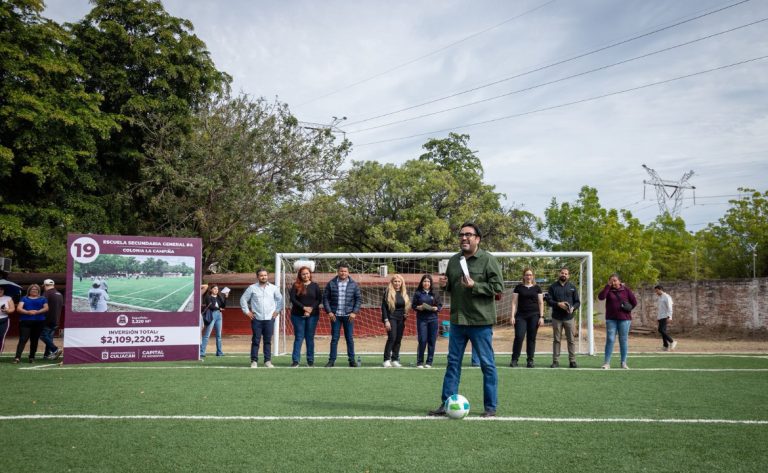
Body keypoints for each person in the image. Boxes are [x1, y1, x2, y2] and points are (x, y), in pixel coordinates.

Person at [429, 223, 503, 418]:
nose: (464, 238)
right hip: (458, 321)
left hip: (480, 321)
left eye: (468, 235)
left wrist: (475, 285)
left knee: (487, 364)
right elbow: (452, 288)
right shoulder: (454, 261)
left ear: (477, 238)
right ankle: (446, 404)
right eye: (461, 234)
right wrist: (444, 286)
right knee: (453, 363)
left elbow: (498, 289)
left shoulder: (488, 260)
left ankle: (490, 408)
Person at [240, 269, 283, 368]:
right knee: (256, 340)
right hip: (256, 319)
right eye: (261, 275)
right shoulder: (252, 288)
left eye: (265, 275)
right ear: (257, 277)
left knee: (267, 341)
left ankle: (267, 361)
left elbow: (280, 300)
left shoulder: (273, 288)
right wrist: (247, 312)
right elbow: (243, 299)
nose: (264, 277)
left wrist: (277, 311)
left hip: (269, 318)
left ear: (267, 276)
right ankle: (254, 361)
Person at [322, 263, 362, 368]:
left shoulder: (354, 284)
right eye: (341, 271)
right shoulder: (331, 283)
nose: (343, 273)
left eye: (345, 271)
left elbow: (358, 299)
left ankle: (352, 360)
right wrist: (329, 312)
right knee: (334, 338)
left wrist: (354, 312)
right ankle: (331, 360)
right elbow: (325, 298)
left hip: (349, 316)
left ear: (348, 272)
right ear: (338, 272)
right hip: (335, 316)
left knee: (349, 338)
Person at [598, 274, 637, 369]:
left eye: (615, 280)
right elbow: (601, 297)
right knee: (610, 339)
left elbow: (634, 302)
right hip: (611, 319)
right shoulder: (608, 290)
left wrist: (628, 309)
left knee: (623, 340)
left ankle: (623, 362)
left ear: (619, 281)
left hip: (624, 319)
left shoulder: (626, 290)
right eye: (611, 281)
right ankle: (607, 363)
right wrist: (607, 286)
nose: (613, 282)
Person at [546, 267, 581, 368]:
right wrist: (558, 304)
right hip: (557, 318)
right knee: (557, 340)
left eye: (566, 274)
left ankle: (572, 361)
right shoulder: (553, 287)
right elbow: (548, 300)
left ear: (568, 276)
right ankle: (555, 361)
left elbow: (577, 302)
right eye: (562, 273)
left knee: (571, 340)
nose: (564, 275)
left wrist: (573, 308)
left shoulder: (572, 287)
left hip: (569, 318)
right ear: (559, 274)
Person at [510, 268, 544, 368]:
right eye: (526, 275)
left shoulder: (537, 288)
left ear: (533, 276)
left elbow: (541, 303)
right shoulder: (518, 288)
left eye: (530, 275)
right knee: (519, 337)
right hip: (521, 316)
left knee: (531, 338)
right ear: (523, 276)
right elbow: (514, 303)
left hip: (534, 316)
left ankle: (530, 360)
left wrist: (541, 317)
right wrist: (512, 316)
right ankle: (514, 359)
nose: (528, 276)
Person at [288, 266, 322, 367]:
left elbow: (319, 299)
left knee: (309, 338)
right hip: (297, 315)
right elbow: (293, 299)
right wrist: (304, 308)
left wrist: (310, 309)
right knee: (299, 337)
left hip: (313, 315)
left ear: (310, 274)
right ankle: (295, 361)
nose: (305, 275)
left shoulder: (315, 286)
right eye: (303, 274)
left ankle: (310, 360)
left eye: (307, 273)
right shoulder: (295, 285)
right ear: (300, 275)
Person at [412, 274, 443, 368]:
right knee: (422, 340)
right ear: (422, 282)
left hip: (433, 320)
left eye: (428, 281)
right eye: (425, 281)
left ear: (431, 283)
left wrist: (435, 308)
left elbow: (440, 306)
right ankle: (420, 362)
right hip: (422, 320)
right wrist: (419, 307)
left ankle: (429, 362)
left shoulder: (435, 293)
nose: (426, 283)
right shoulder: (418, 293)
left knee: (432, 341)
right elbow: (413, 306)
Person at [14, 284, 48, 363]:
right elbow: (19, 308)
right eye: (32, 289)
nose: (34, 291)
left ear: (38, 291)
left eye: (36, 289)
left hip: (39, 322)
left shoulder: (43, 298)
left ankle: (32, 357)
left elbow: (46, 308)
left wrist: (37, 312)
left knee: (34, 340)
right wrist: (27, 312)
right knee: (23, 339)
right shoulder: (24, 298)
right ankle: (17, 357)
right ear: (29, 291)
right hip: (25, 322)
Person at [381, 274, 410, 367]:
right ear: (392, 282)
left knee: (398, 339)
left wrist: (405, 314)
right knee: (392, 338)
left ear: (402, 283)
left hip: (401, 319)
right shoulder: (388, 292)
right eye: (395, 281)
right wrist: (386, 320)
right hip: (391, 318)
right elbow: (384, 307)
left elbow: (405, 307)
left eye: (399, 281)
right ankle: (386, 359)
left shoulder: (404, 293)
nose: (397, 283)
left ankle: (395, 359)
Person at [200, 285, 227, 358]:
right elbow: (211, 307)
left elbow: (223, 306)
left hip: (219, 316)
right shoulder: (208, 297)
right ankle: (201, 352)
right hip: (212, 315)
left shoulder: (219, 297)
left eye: (217, 289)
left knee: (219, 335)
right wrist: (219, 309)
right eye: (214, 289)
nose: (216, 290)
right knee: (207, 334)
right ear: (211, 290)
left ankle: (219, 352)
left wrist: (226, 297)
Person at [41, 279, 64, 360]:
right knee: (49, 337)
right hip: (56, 319)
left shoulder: (46, 293)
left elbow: (42, 306)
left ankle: (55, 349)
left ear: (45, 285)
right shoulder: (59, 294)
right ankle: (47, 354)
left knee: (42, 335)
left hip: (47, 319)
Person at [654, 285, 677, 351]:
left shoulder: (667, 297)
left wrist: (670, 316)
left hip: (665, 316)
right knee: (662, 331)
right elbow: (660, 309)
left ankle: (672, 341)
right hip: (661, 316)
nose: (656, 292)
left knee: (660, 330)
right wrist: (658, 317)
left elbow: (670, 307)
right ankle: (665, 346)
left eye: (657, 291)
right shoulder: (660, 297)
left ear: (660, 289)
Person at [0, 286, 16, 356]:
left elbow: (12, 309)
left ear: (4, 290)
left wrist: (7, 310)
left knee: (1, 337)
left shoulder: (8, 298)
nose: (0, 290)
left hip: (4, 320)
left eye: (1, 289)